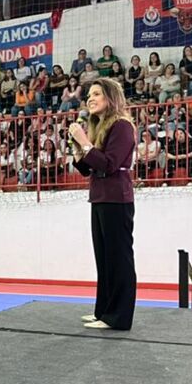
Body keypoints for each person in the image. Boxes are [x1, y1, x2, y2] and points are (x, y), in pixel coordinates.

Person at [68, 78, 137, 331]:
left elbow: (109, 164)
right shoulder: (99, 126)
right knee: (104, 258)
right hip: (100, 196)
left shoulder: (122, 126)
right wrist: (79, 147)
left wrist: (85, 142)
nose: (90, 98)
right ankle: (104, 312)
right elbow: (88, 169)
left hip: (116, 198)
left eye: (96, 93)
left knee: (119, 258)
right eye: (89, 95)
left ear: (110, 97)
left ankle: (119, 317)